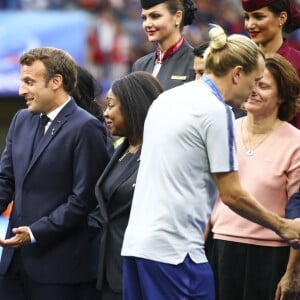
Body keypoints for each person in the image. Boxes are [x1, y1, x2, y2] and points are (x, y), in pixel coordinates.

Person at [121, 24, 300, 300]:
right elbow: (232, 194)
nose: (250, 93)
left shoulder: (166, 99)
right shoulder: (216, 111)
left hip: (137, 248)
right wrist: (283, 225)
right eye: (254, 82)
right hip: (176, 254)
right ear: (238, 73)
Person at [0, 47, 110, 300]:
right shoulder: (20, 120)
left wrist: (35, 232)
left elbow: (84, 200)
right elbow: (5, 180)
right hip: (12, 267)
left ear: (56, 82)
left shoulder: (86, 128)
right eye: (22, 82)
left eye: (29, 82)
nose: (21, 91)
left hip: (59, 272)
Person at [206, 53, 300, 300]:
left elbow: (297, 216)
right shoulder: (224, 129)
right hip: (219, 249)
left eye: (264, 85)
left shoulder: (295, 143)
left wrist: (292, 273)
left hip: (269, 256)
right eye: (253, 82)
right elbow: (207, 195)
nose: (254, 90)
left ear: (282, 96)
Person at [95, 71, 163, 300]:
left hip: (140, 271)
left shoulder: (160, 154)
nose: (105, 113)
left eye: (111, 105)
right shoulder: (121, 149)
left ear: (134, 105)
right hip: (108, 270)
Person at [241, 0, 300, 128]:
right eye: (246, 17)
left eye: (258, 17)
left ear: (282, 18)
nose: (250, 24)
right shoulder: (239, 61)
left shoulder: (297, 63)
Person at [132, 0, 197, 90]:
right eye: (144, 18)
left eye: (155, 16)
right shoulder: (140, 65)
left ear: (177, 17)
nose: (147, 24)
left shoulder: (196, 63)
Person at [193, 41, 247, 119]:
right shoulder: (187, 114)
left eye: (203, 74)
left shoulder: (248, 118)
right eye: (195, 73)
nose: (197, 80)